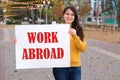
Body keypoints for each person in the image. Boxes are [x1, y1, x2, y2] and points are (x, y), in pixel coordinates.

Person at [53, 6, 87, 80]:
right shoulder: (57, 29)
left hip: (75, 67)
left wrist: (75, 36)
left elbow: (83, 48)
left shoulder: (79, 30)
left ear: (75, 17)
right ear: (63, 15)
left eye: (72, 14)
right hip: (60, 67)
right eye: (67, 14)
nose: (69, 16)